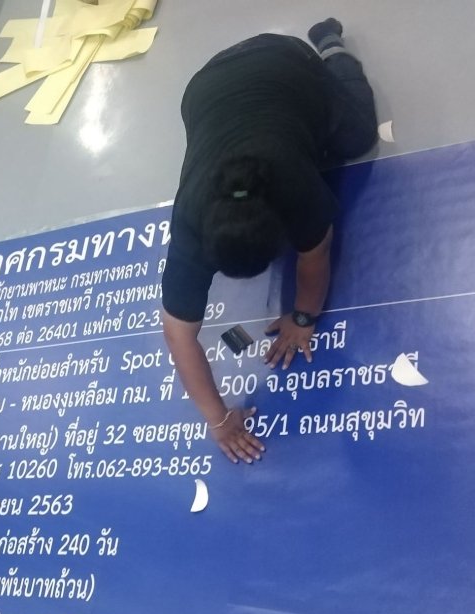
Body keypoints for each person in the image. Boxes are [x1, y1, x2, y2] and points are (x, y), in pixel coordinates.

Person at [161, 19, 378, 464]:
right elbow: (178, 336)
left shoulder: (294, 186)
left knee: (359, 137)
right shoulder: (187, 225)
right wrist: (219, 422)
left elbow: (315, 255)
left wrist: (303, 318)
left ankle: (331, 47)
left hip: (285, 62)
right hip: (203, 88)